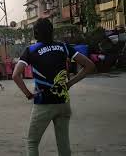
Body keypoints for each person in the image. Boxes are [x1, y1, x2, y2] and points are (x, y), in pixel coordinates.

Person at [12, 18, 95, 156]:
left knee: (32, 142)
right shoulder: (63, 47)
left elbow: (15, 75)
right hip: (63, 101)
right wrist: (69, 83)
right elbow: (90, 66)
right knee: (63, 143)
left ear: (35, 33)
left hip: (43, 103)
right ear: (52, 32)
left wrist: (28, 94)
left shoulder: (31, 50)